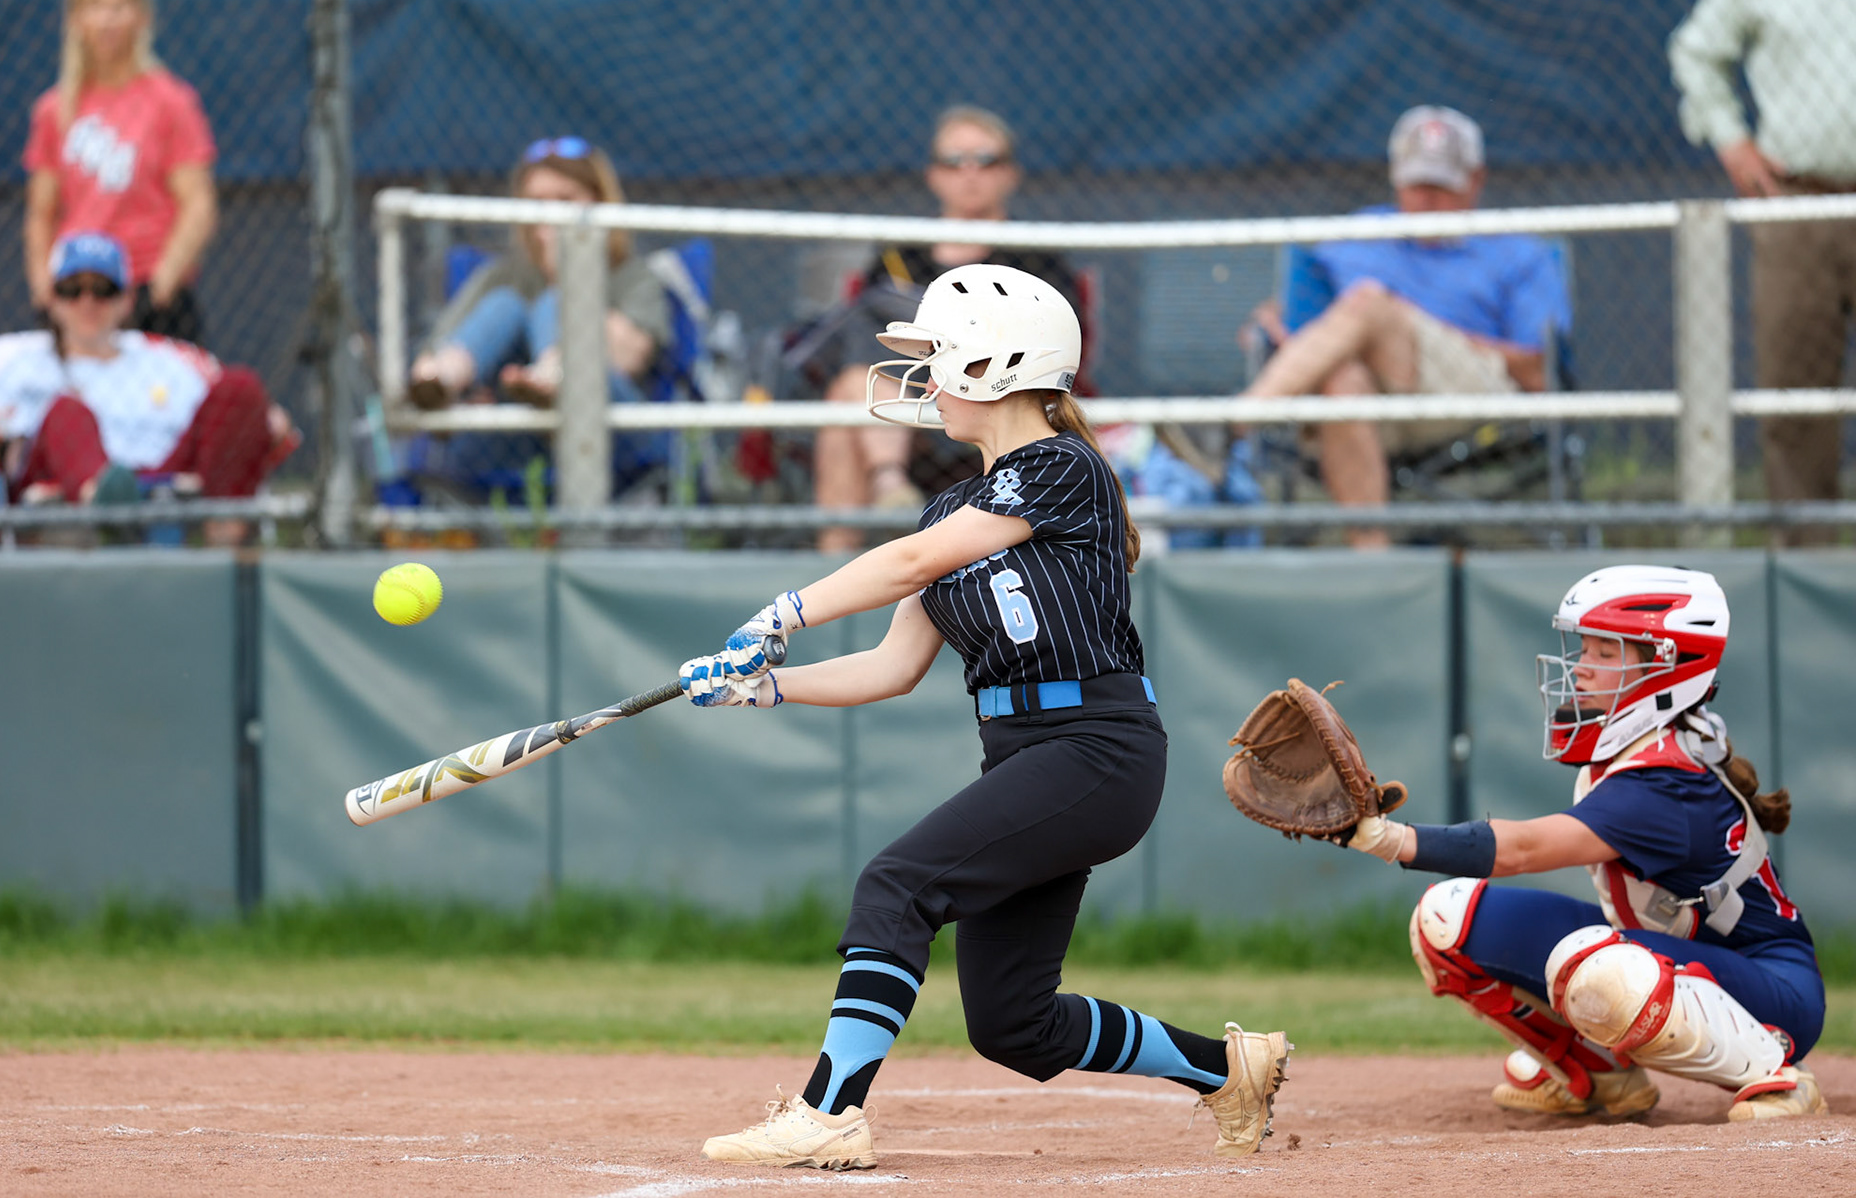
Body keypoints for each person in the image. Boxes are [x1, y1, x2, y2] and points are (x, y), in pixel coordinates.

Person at [675, 265, 1291, 1169]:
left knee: (897, 885)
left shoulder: (1062, 468)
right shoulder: (954, 504)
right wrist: (766, 686)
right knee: (1014, 1025)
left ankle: (831, 1110)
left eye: (937, 357)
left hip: (1097, 747)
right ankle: (1225, 1068)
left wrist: (778, 617)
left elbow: (909, 560)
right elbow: (892, 667)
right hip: (1026, 759)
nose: (922, 378)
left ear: (998, 366)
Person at [1343, 565, 1827, 1122]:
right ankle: (1600, 1075)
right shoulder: (1648, 746)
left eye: (1604, 652)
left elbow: (1522, 850)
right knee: (1446, 919)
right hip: (1697, 959)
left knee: (1596, 968)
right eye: (1586, 649)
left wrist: (1392, 840)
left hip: (1776, 991)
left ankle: (1776, 1076)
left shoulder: (1665, 783)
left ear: (1666, 665)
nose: (1580, 669)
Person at [1238, 106, 1571, 549]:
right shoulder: (1353, 235)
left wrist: (1414, 326)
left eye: (1442, 186)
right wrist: (1281, 325)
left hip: (1472, 399)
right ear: (1396, 179)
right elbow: (1306, 312)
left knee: (1371, 304)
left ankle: (1232, 427)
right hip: (1375, 403)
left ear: (1475, 181)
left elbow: (1537, 370)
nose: (1427, 200)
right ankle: (1378, 569)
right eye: (1417, 185)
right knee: (1342, 378)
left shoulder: (1518, 251)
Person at [811, 106, 1082, 552]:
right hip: (912, 390)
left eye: (985, 160)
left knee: (853, 398)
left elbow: (1061, 339)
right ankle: (854, 540)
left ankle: (885, 492)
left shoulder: (1035, 255)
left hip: (997, 390)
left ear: (1010, 174)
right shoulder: (903, 250)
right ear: (934, 175)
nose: (969, 173)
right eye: (954, 161)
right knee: (848, 393)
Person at [1669, 0, 1856, 534]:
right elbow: (1696, 51)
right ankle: (1807, 568)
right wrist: (1732, 141)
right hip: (1798, 201)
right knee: (1795, 393)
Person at [0, 232, 295, 539]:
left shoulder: (166, 360)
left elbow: (212, 428)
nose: (87, 302)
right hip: (70, 495)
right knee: (67, 410)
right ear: (52, 299)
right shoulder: (24, 366)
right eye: (72, 290)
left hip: (166, 484)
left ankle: (225, 545)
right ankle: (111, 516)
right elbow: (4, 455)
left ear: (127, 300)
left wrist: (257, 418)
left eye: (103, 290)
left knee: (240, 386)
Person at [404, 136, 676, 497]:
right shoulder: (503, 275)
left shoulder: (632, 276)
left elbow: (628, 360)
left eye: (565, 201)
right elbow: (434, 346)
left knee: (554, 301)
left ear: (598, 201)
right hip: (517, 435)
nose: (551, 216)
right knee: (506, 305)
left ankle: (553, 374)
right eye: (538, 204)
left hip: (608, 432)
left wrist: (568, 278)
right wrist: (457, 387)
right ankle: (446, 387)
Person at [23, 0, 218, 346]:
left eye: (120, 6)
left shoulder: (170, 101)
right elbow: (40, 212)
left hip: (147, 287)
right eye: (96, 6)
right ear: (77, 20)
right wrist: (45, 286)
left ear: (142, 17)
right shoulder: (55, 109)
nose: (108, 19)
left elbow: (198, 205)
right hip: (80, 291)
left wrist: (163, 282)